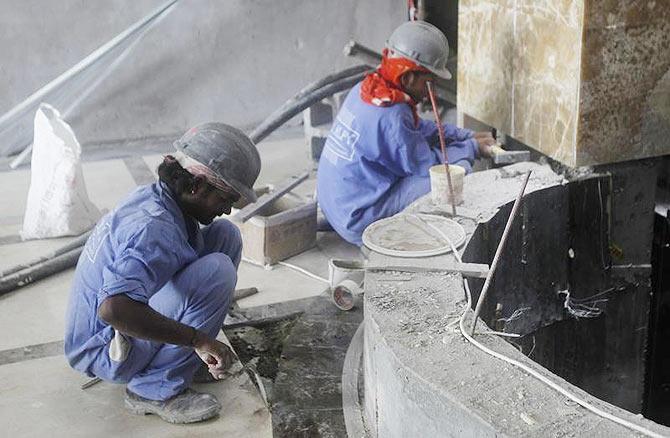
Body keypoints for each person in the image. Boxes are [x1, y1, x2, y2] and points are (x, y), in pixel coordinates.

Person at [64, 123, 261, 424]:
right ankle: (152, 388)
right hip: (104, 348)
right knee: (216, 273)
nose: (226, 209)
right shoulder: (154, 228)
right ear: (196, 186)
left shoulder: (161, 199)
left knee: (225, 235)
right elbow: (113, 308)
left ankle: (178, 360)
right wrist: (198, 339)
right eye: (226, 199)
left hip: (117, 325)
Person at [317, 20, 496, 245]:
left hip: (338, 207)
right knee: (456, 174)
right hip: (357, 221)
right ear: (408, 77)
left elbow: (419, 128)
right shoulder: (392, 116)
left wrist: (462, 135)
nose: (432, 90)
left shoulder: (368, 90)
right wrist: (471, 148)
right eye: (429, 82)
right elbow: (429, 166)